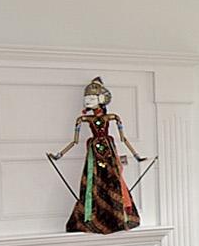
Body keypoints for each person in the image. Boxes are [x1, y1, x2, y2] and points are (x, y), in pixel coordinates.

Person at [49, 77, 145, 232]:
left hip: (109, 150)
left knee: (114, 181)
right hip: (94, 152)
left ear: (102, 99)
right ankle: (92, 217)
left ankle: (119, 216)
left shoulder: (113, 117)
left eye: (92, 98)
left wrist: (136, 155)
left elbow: (123, 138)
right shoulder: (82, 120)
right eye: (86, 98)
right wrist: (59, 155)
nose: (87, 101)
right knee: (92, 184)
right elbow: (74, 142)